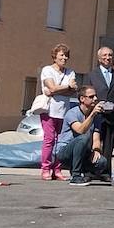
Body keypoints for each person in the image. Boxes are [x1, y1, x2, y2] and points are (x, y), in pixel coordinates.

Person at [53, 85, 108, 186]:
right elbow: (80, 130)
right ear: (82, 99)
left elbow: (96, 138)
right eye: (91, 97)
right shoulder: (72, 113)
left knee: (102, 162)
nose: (95, 99)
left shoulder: (97, 117)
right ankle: (76, 176)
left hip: (82, 151)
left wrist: (96, 151)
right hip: (65, 152)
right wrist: (92, 115)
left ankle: (85, 173)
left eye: (95, 96)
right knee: (83, 138)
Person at [88, 47, 114, 183]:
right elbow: (87, 92)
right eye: (105, 55)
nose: (108, 57)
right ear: (99, 58)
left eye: (110, 55)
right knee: (93, 142)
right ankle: (91, 170)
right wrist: (95, 105)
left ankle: (105, 172)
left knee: (109, 145)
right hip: (96, 113)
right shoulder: (92, 74)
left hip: (112, 114)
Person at [38, 45, 78, 181]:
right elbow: (52, 87)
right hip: (49, 111)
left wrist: (57, 90)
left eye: (66, 55)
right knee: (49, 140)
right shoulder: (47, 70)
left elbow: (74, 90)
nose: (64, 58)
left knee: (61, 142)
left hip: (64, 112)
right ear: (55, 56)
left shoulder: (70, 72)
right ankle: (45, 169)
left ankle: (57, 169)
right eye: (61, 55)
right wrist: (66, 87)